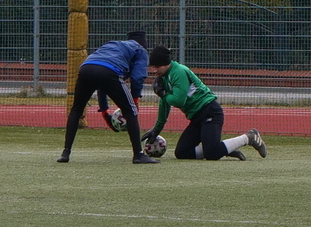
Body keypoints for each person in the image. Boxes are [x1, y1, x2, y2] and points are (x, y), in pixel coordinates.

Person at [145, 46, 266, 162]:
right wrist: (157, 129)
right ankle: (225, 148)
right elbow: (164, 103)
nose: (154, 70)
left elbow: (179, 100)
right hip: (197, 117)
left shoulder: (178, 72)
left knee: (211, 153)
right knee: (182, 152)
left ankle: (249, 137)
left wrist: (163, 94)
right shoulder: (164, 77)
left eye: (157, 66)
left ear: (165, 63)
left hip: (209, 111)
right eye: (153, 67)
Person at [59, 31, 157, 163]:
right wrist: (134, 100)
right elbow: (137, 77)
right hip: (110, 71)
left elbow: (102, 85)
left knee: (76, 109)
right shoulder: (141, 50)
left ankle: (66, 153)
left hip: (86, 68)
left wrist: (105, 113)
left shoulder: (112, 45)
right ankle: (138, 155)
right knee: (130, 111)